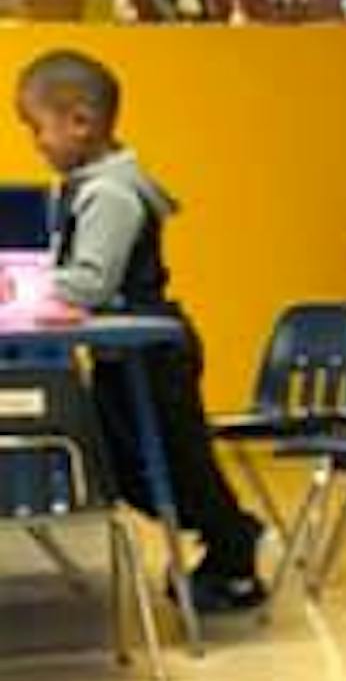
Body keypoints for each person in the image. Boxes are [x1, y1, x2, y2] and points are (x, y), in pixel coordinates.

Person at [14, 48, 269, 611]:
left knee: (178, 463)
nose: (37, 142)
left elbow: (91, 281)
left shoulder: (110, 194)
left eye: (37, 128)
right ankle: (227, 542)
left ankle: (233, 551)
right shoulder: (91, 186)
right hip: (125, 356)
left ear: (81, 122)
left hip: (151, 355)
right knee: (130, 465)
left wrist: (22, 287)